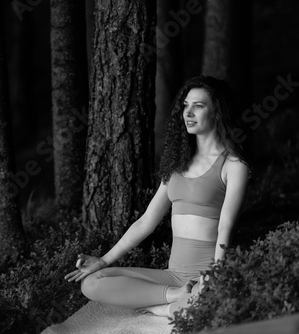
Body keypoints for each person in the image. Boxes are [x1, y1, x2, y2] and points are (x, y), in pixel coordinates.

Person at [64, 76, 250, 318]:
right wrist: (103, 260)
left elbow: (226, 227)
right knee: (92, 282)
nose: (188, 113)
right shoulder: (177, 164)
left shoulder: (233, 165)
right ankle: (174, 297)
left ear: (217, 111)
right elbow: (145, 222)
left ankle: (164, 307)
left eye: (199, 106)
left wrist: (215, 276)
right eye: (185, 105)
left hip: (206, 272)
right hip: (172, 276)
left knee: (207, 302)